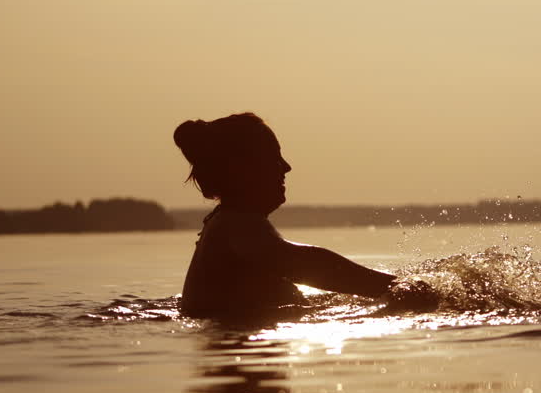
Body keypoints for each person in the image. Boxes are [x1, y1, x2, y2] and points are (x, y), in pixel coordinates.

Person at [173, 112, 434, 319]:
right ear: (242, 168)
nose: (286, 167)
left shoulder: (225, 222)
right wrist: (397, 288)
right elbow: (299, 263)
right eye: (273, 157)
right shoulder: (236, 222)